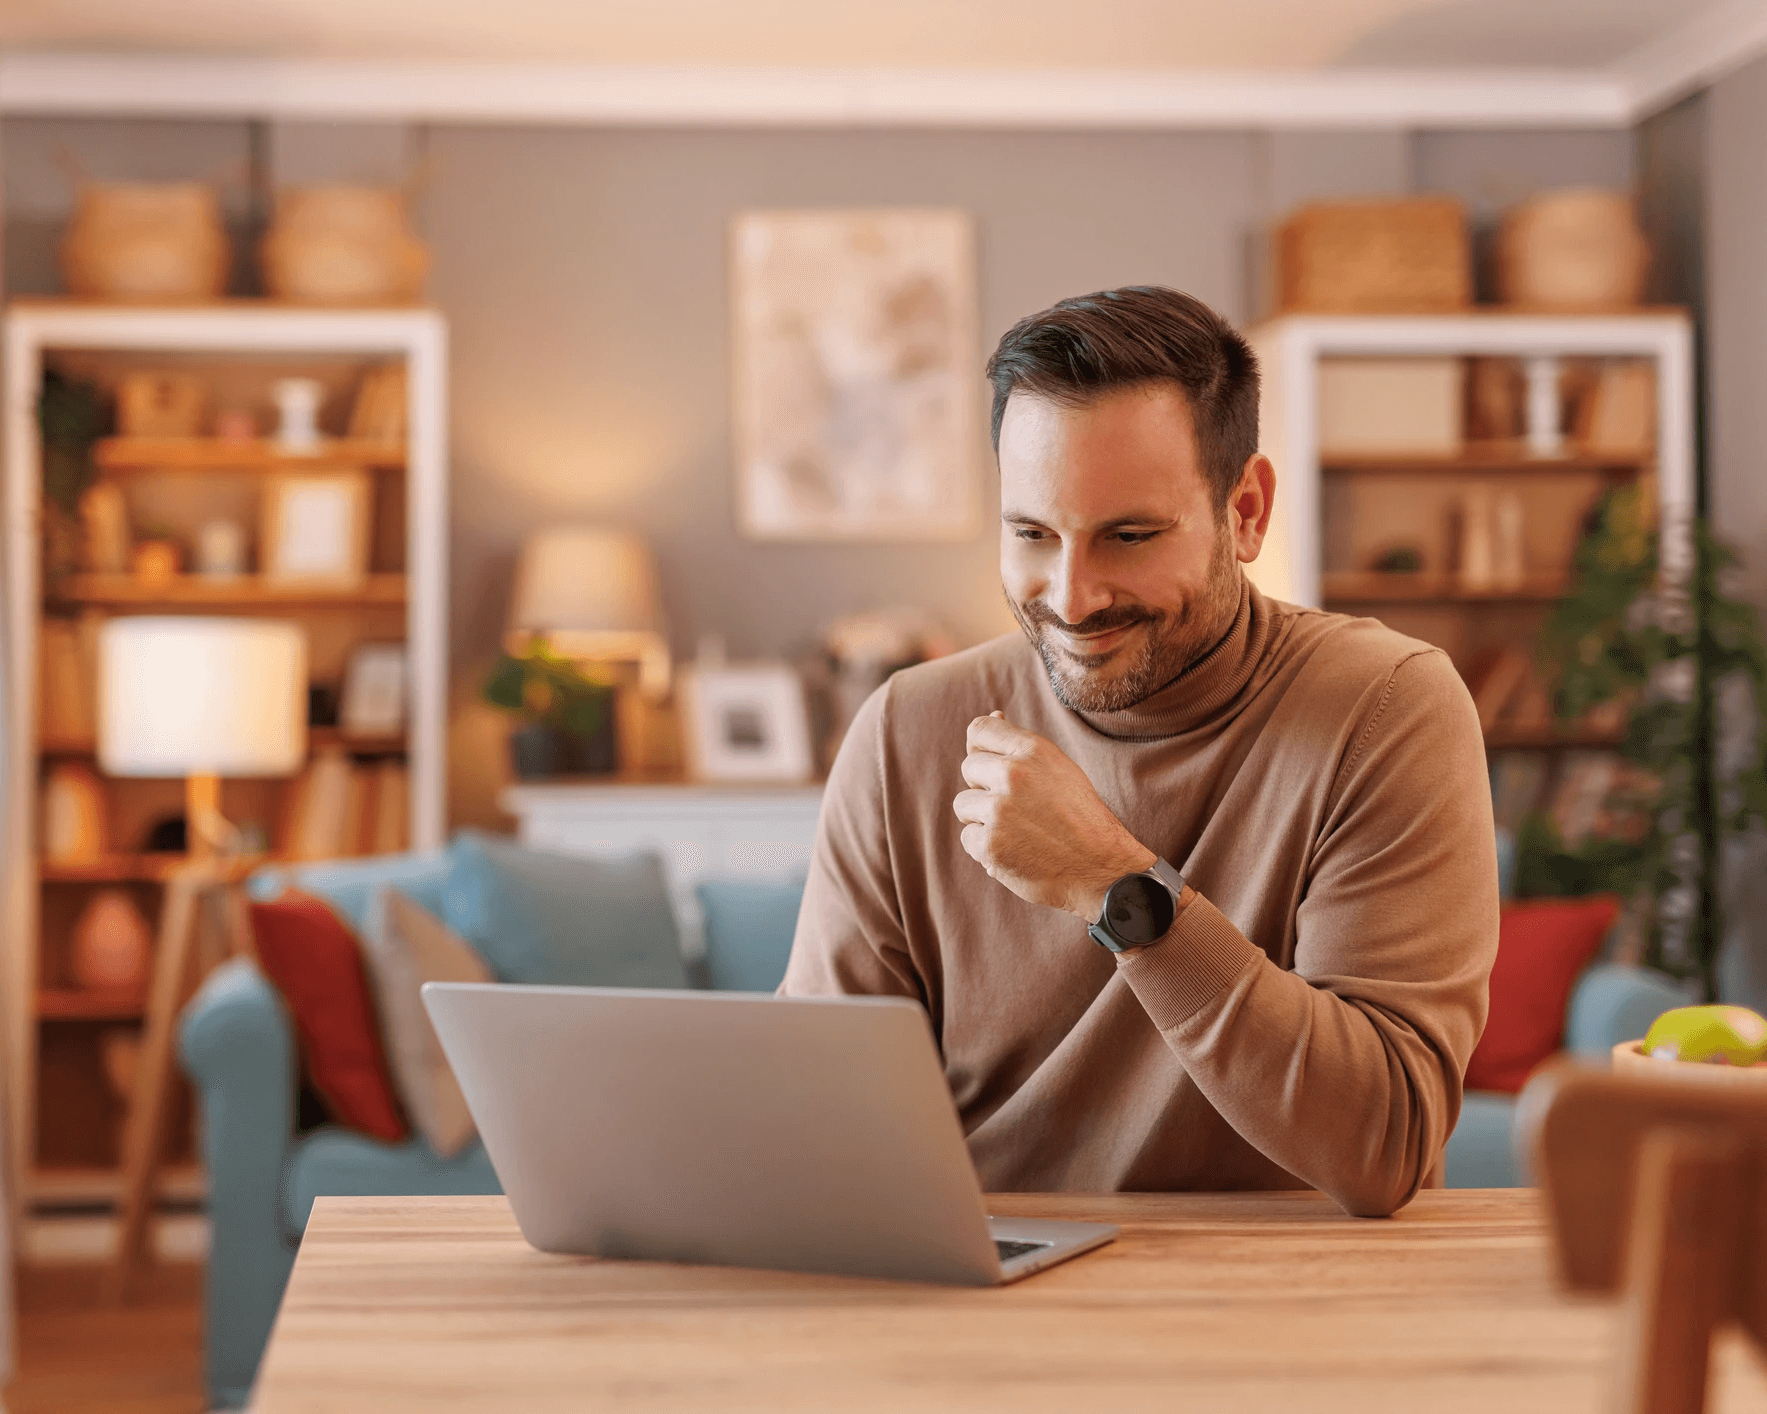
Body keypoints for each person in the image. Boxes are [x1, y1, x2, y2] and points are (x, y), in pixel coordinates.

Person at [781, 286, 1497, 1217]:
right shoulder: (904, 731)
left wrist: (1118, 888)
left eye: (1128, 536)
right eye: (1031, 534)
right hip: (991, 1274)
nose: (1071, 597)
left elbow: (1384, 1142)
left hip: (1288, 1282)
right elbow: (820, 1119)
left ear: (1245, 512)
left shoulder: (1385, 707)